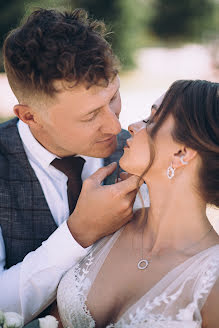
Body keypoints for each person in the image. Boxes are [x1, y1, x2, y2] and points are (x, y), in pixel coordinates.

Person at [0, 8, 142, 324]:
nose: (113, 124)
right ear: (29, 116)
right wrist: (78, 234)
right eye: (90, 116)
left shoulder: (138, 153)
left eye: (114, 97)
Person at [56, 80, 219, 328]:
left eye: (151, 121)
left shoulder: (212, 279)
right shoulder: (108, 216)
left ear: (181, 154)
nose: (131, 127)